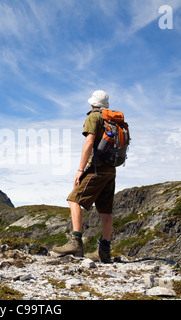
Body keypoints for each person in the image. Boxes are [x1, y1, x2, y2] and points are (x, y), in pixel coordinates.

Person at [52, 90, 116, 263]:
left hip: (97, 169)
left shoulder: (94, 117)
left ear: (92, 103)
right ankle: (104, 251)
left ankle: (76, 243)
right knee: (105, 211)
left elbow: (89, 142)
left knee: (74, 199)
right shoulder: (112, 119)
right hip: (111, 170)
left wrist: (80, 170)